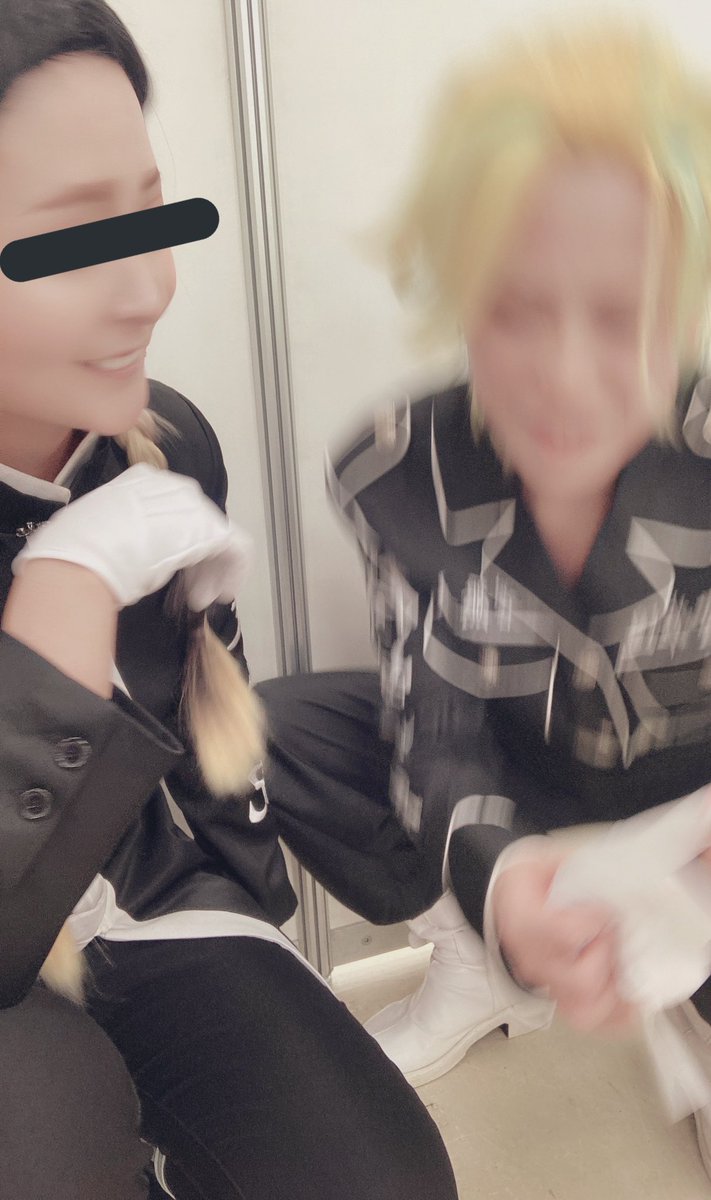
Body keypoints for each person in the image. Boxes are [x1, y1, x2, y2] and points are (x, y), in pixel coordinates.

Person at [0, 3, 461, 1198]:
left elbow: (223, 750)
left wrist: (262, 959)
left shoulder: (166, 443)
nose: (150, 286)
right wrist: (60, 607)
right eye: (71, 235)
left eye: (149, 209)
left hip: (150, 901)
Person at [257, 19, 711, 1179]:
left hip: (695, 791)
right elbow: (433, 726)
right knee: (273, 732)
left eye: (621, 317)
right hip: (526, 768)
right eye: (516, 309)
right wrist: (503, 887)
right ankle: (475, 960)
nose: (564, 375)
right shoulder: (398, 469)